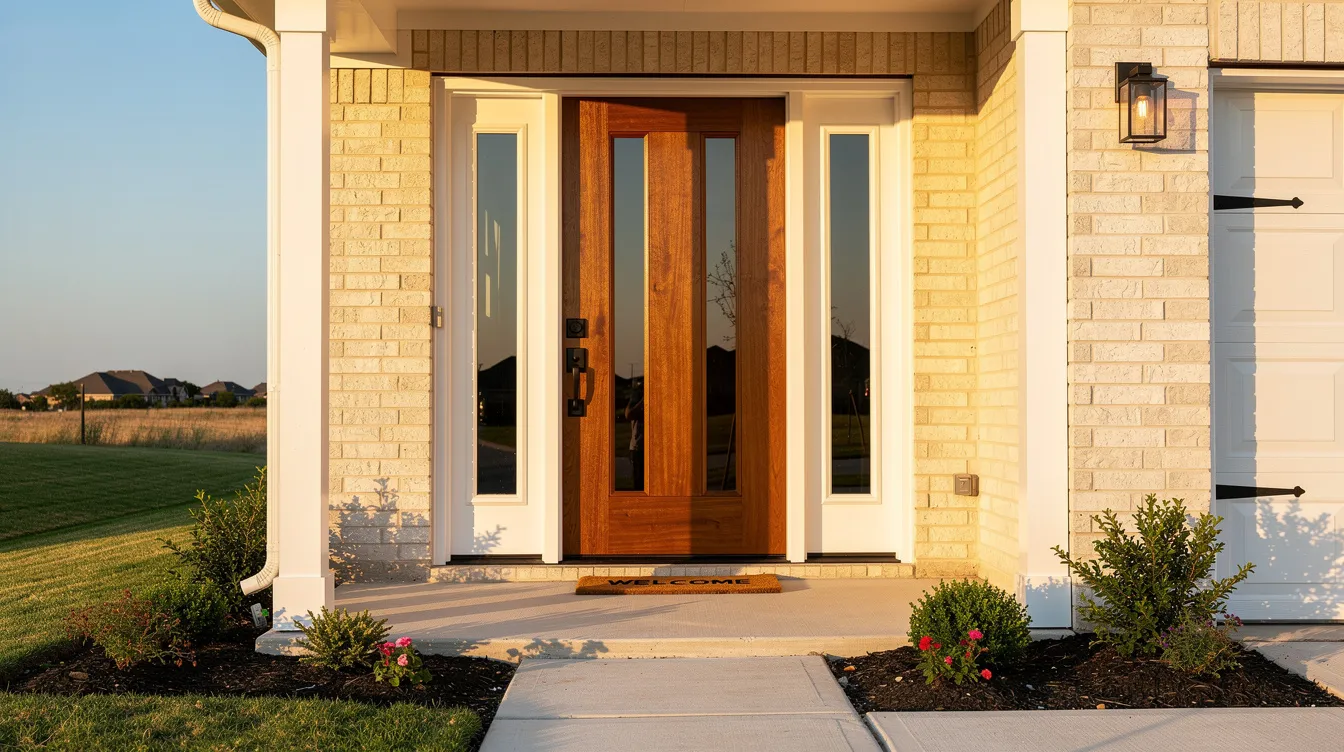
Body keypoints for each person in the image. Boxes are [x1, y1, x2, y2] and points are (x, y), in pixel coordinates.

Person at [624, 378, 644, 489]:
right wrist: (643, 400)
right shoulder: (638, 401)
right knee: (639, 480)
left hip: (653, 446)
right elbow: (628, 415)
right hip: (639, 447)